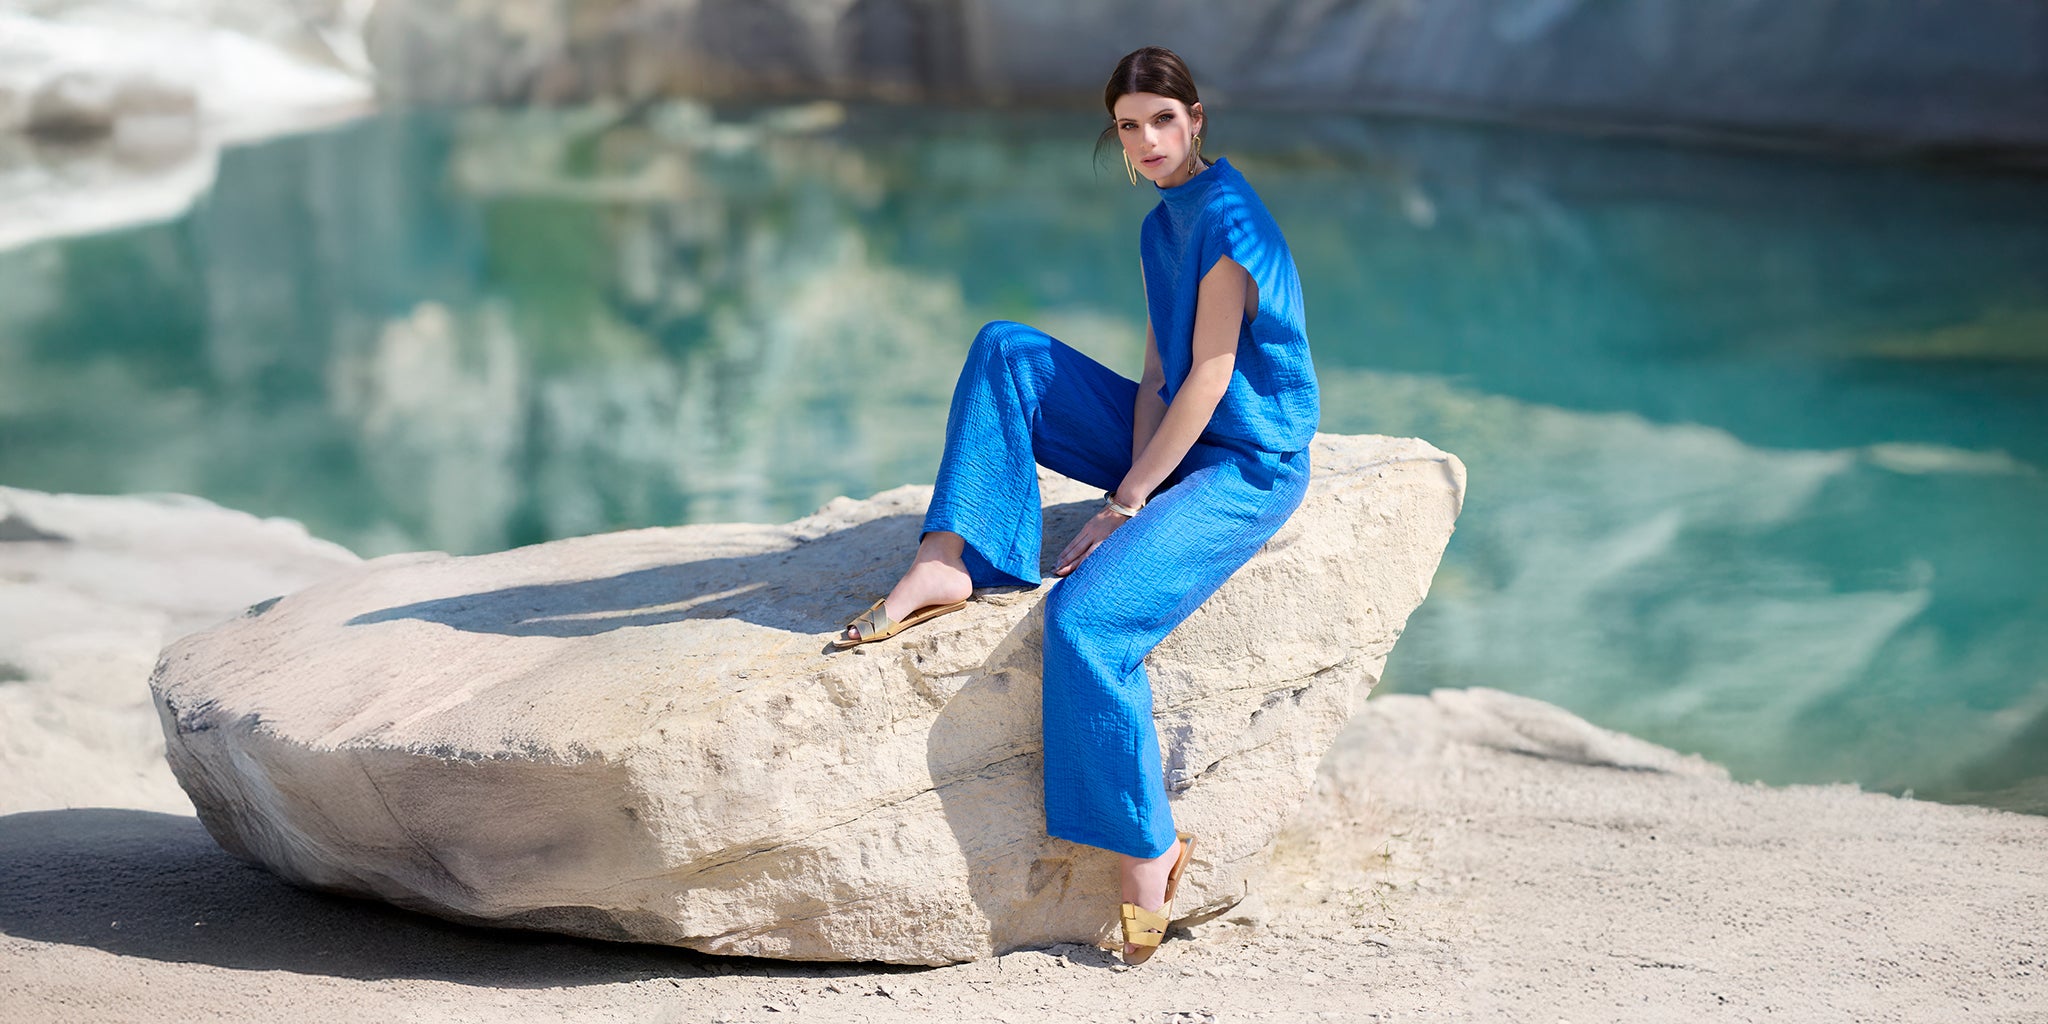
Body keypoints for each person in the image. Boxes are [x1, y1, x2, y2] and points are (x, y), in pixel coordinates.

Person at [834, 45, 1319, 965]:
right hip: (1180, 439)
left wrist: (1128, 504)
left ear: (1197, 118)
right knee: (1007, 351)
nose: (1147, 141)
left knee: (1086, 621)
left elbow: (1212, 379)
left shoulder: (1230, 219)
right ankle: (947, 559)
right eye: (1129, 127)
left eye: (1163, 121)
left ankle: (1148, 849)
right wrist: (1137, 474)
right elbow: (1157, 374)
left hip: (1248, 460)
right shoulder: (1159, 226)